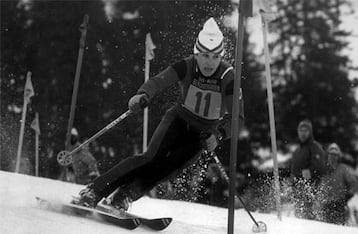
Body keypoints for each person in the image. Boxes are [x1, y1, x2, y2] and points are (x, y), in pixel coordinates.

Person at [72, 18, 244, 211]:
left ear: (221, 56)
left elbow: (238, 119)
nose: (209, 62)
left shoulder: (228, 77)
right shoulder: (187, 65)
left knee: (168, 169)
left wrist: (219, 135)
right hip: (178, 120)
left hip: (203, 134)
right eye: (204, 55)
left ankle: (125, 195)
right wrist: (142, 95)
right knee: (150, 158)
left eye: (214, 57)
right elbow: (158, 81)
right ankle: (94, 191)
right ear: (197, 53)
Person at [290, 119, 327, 219]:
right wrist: (293, 179)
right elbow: (293, 169)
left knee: (309, 217)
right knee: (300, 216)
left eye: (305, 131)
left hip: (311, 188)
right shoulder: (297, 151)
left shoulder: (315, 147)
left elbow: (319, 168)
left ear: (310, 132)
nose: (303, 134)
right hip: (298, 190)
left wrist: (303, 175)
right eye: (301, 131)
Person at [316, 143, 358, 225]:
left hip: (339, 204)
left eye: (335, 155)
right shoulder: (322, 169)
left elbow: (354, 184)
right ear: (327, 155)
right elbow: (317, 184)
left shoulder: (343, 169)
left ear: (339, 156)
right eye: (331, 154)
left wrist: (348, 195)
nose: (333, 157)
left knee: (337, 230)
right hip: (324, 205)